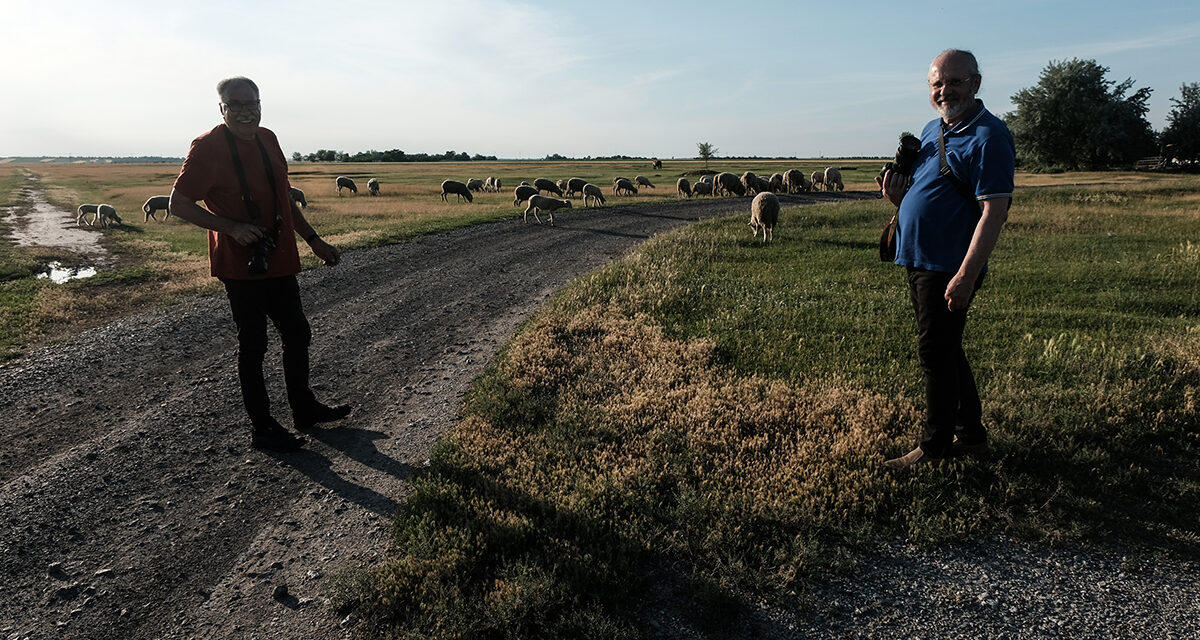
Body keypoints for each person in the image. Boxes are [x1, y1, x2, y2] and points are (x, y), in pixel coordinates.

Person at [169, 76, 351, 452]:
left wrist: (313, 240)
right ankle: (263, 427)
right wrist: (231, 228)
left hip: (280, 257)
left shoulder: (269, 139)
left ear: (260, 105)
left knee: (297, 333)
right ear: (221, 108)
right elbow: (179, 204)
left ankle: (303, 408)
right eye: (234, 105)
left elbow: (284, 199)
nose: (245, 112)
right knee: (253, 344)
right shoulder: (207, 147)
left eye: (251, 103)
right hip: (241, 265)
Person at [875, 50, 1015, 469]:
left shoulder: (989, 136)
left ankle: (934, 448)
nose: (944, 90)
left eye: (954, 82)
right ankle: (971, 436)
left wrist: (966, 275)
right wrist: (898, 198)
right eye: (937, 83)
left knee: (934, 353)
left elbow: (994, 212)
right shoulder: (931, 128)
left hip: (949, 265)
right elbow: (924, 190)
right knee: (947, 349)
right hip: (919, 257)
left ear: (975, 83)